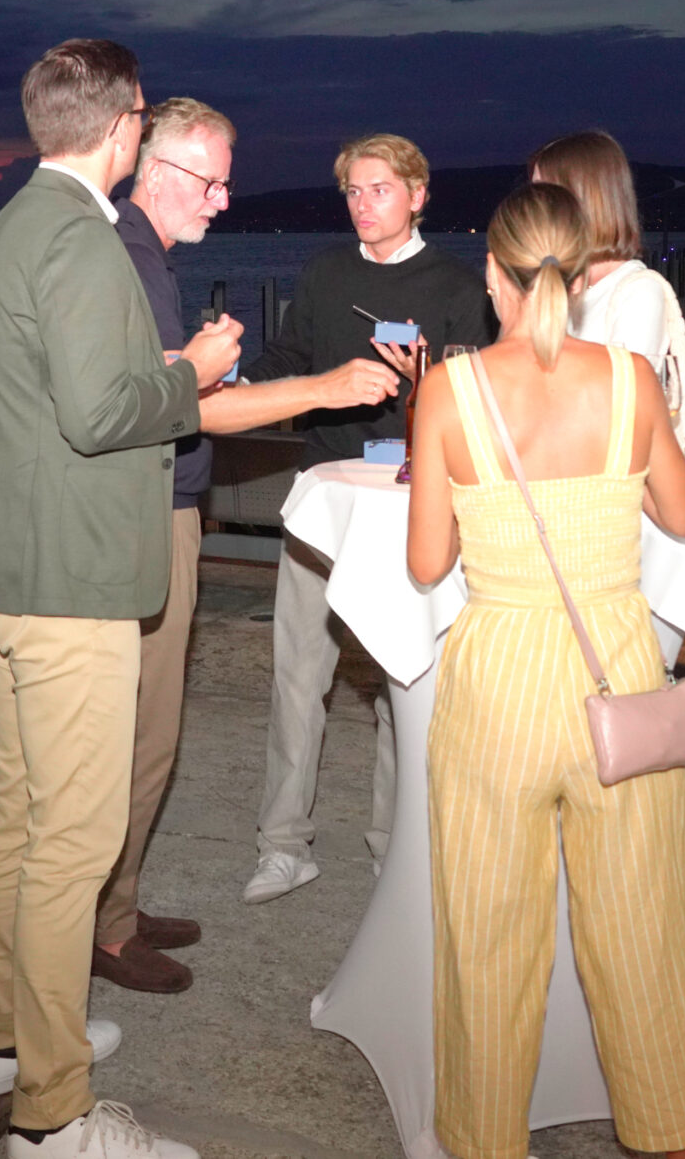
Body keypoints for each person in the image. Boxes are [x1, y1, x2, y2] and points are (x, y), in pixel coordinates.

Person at [0, 40, 240, 1159]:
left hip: (6, 566)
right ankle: (52, 1116)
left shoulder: (12, 225)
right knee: (72, 841)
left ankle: (10, 1039)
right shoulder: (79, 237)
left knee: (17, 815)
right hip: (65, 582)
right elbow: (101, 412)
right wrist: (195, 373)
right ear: (124, 125)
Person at [403, 182, 685, 1159]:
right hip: (613, 670)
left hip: (498, 678)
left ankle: (486, 1140)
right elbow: (683, 516)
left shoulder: (450, 389)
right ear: (582, 274)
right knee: (641, 927)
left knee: (485, 939)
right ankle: (673, 1137)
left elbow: (426, 563)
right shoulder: (630, 378)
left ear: (491, 271)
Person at [96, 98, 400, 994]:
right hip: (148, 514)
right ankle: (102, 928)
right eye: (213, 181)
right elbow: (190, 407)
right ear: (159, 171)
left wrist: (205, 361)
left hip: (164, 506)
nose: (224, 200)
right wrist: (325, 387)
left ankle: (116, 904)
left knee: (146, 733)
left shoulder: (143, 254)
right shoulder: (133, 257)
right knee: (142, 738)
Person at [237, 132, 488, 904]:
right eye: (352, 190)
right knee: (296, 677)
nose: (362, 203)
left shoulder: (457, 285)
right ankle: (283, 845)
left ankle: (394, 850)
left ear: (418, 194)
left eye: (380, 188)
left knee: (401, 684)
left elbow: (477, 403)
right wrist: (235, 384)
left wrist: (425, 380)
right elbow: (289, 357)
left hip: (417, 509)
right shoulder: (325, 272)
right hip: (325, 497)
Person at [526, 130, 685, 460]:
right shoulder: (551, 284)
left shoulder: (637, 292)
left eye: (544, 192)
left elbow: (620, 410)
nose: (531, 207)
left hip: (603, 480)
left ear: (585, 199)